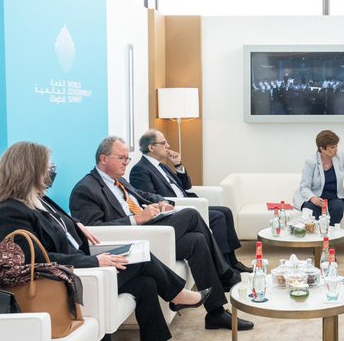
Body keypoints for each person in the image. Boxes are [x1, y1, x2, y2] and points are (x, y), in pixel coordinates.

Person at [0, 142, 213, 341]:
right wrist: (95, 262)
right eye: (47, 167)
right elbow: (34, 260)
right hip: (68, 278)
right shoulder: (10, 212)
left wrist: (75, 225)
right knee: (142, 258)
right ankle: (178, 295)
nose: (51, 171)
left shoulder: (39, 200)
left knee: (145, 283)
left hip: (82, 262)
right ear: (30, 169)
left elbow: (60, 224)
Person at [69, 136, 253, 331]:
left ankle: (216, 313)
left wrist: (162, 202)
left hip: (153, 233)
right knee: (190, 214)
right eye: (121, 158)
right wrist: (136, 219)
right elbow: (93, 231)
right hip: (133, 242)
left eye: (127, 158)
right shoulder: (85, 189)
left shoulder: (119, 181)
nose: (126, 162)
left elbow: (145, 195)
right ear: (103, 159)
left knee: (197, 240)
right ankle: (225, 273)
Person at [129, 130, 249, 273]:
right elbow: (150, 198)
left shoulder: (162, 166)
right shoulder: (140, 170)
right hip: (176, 210)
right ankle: (223, 266)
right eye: (164, 143)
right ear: (151, 147)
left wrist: (178, 165)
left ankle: (233, 262)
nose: (168, 146)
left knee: (226, 211)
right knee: (218, 217)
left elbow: (186, 186)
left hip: (189, 203)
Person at [293, 130, 344, 225]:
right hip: (316, 197)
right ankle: (318, 232)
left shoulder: (340, 157)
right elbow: (304, 187)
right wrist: (313, 198)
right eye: (332, 147)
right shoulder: (310, 162)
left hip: (334, 197)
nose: (336, 149)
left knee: (338, 208)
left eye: (336, 146)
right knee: (311, 209)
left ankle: (329, 232)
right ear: (322, 149)